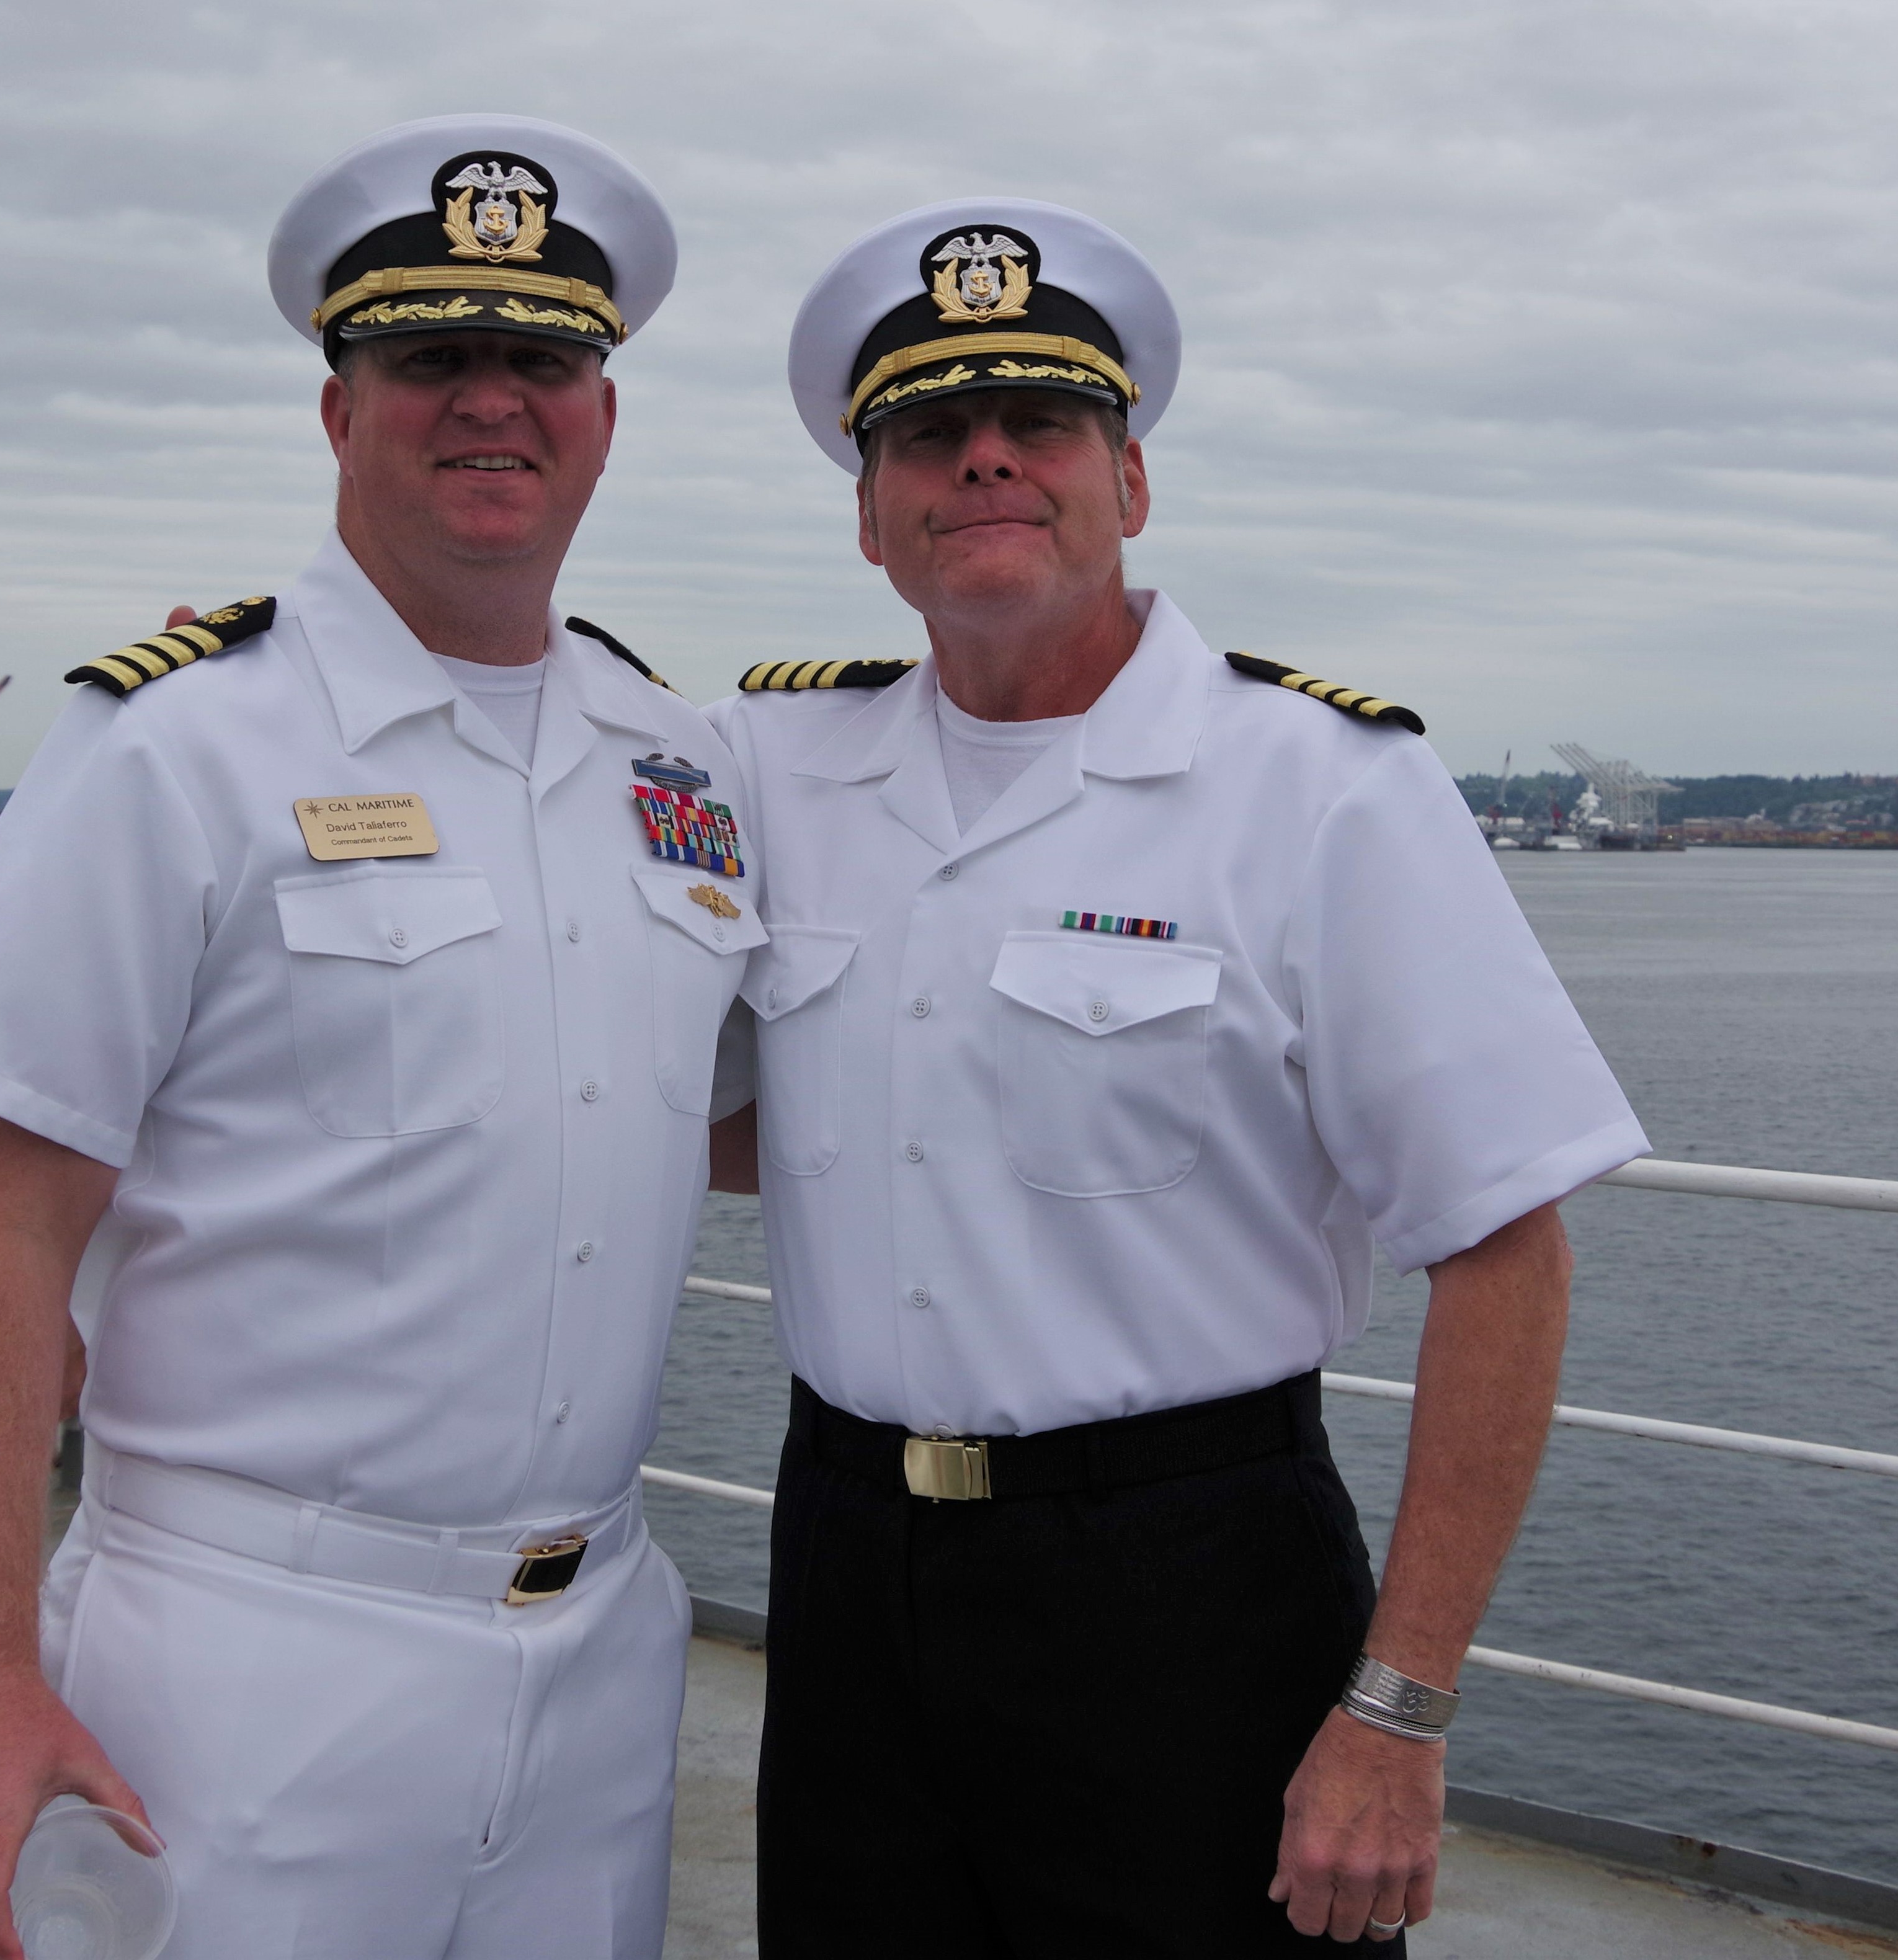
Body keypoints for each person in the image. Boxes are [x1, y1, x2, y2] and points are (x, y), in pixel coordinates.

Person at [703, 198, 1649, 1954]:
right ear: (868, 514)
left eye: (1037, 424)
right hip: (846, 1565)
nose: (983, 460)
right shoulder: (773, 768)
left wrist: (1398, 1713)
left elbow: (1504, 1253)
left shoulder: (1317, 785)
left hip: (1185, 1578)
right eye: (927, 433)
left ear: (1126, 482)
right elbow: (743, 1110)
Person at [0, 115, 749, 1960]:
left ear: (605, 411)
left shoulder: (685, 766)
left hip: (600, 1648)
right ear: (340, 409)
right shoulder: (181, 747)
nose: (489, 404)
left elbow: (712, 1118)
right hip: (244, 1653)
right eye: (431, 358)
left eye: (542, 362)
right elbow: (10, 1227)